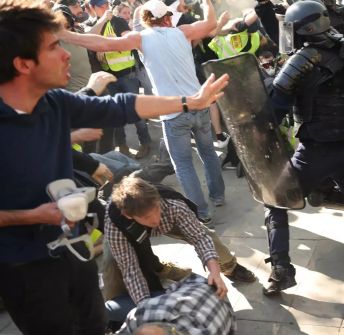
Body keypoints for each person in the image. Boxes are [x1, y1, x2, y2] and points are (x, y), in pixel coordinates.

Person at [0, 0, 228, 333]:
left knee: (95, 324)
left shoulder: (52, 102)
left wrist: (188, 101)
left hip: (75, 250)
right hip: (25, 267)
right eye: (53, 47)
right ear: (23, 64)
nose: (66, 54)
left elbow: (119, 106)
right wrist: (34, 216)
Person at [61, 0, 229, 222]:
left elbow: (101, 44)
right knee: (208, 153)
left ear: (145, 20)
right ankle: (218, 196)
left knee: (184, 164)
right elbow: (210, 23)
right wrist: (207, 3)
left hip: (174, 112)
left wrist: (65, 35)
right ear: (167, 17)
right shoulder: (183, 32)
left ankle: (202, 214)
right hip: (200, 106)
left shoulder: (141, 39)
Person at [260, 0, 344, 296]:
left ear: (304, 29)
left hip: (314, 150)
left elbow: (276, 109)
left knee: (275, 203)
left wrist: (257, 136)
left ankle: (281, 270)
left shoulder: (303, 59)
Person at [103, 177, 255, 328]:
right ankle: (113, 321)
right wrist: (147, 310)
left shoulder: (173, 205)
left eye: (156, 209)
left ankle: (230, 267)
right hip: (128, 232)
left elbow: (199, 238)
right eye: (147, 217)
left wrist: (214, 272)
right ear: (129, 216)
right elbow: (131, 270)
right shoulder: (115, 224)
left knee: (208, 237)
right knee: (112, 268)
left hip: (171, 221)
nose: (155, 219)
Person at [87, 0, 153, 158]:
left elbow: (130, 43)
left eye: (105, 5)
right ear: (93, 8)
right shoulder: (94, 26)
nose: (105, 8)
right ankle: (122, 145)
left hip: (127, 75)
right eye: (100, 6)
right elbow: (88, 42)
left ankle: (145, 143)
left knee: (136, 112)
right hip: (108, 79)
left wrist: (108, 46)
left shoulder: (119, 21)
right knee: (115, 116)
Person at [115, 274, 236, 335]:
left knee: (110, 308)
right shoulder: (141, 313)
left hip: (209, 291)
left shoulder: (141, 313)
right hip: (202, 287)